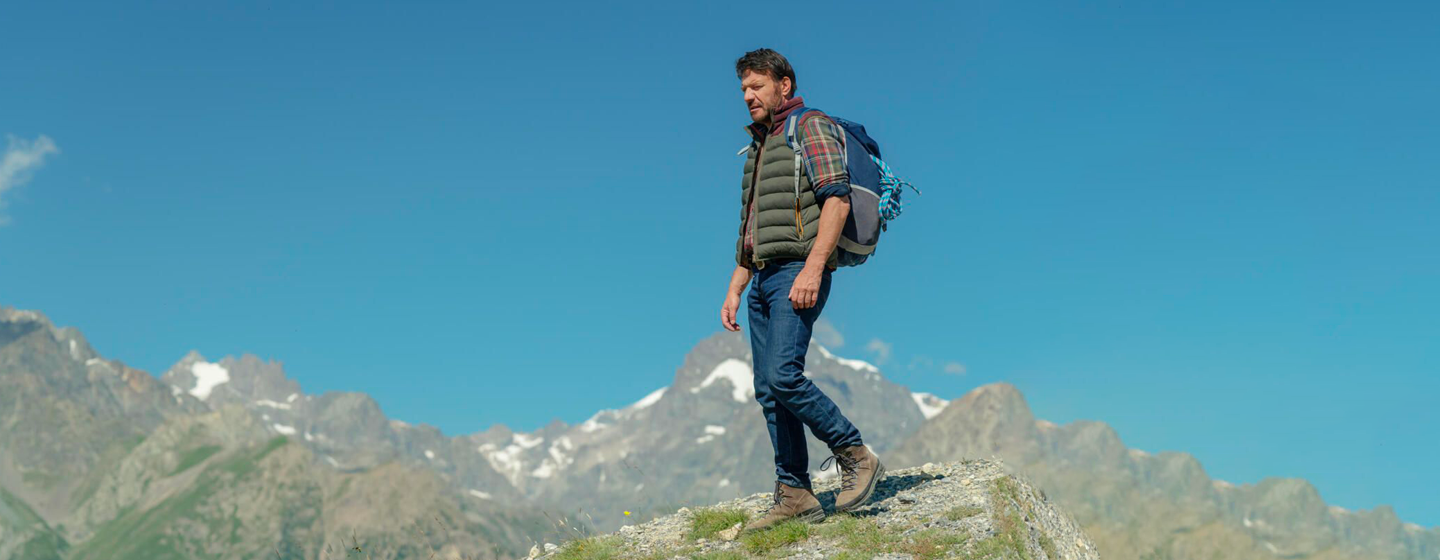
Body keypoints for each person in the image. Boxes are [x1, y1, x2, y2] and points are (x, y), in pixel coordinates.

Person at [719, 48, 885, 532]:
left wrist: (813, 268)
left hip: (797, 269)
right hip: (762, 277)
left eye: (757, 86)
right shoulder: (759, 145)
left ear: (784, 85)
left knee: (783, 375)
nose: (748, 96)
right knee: (768, 390)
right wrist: (736, 285)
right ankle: (794, 493)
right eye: (744, 89)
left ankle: (855, 454)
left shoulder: (809, 126)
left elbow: (836, 199)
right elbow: (753, 225)